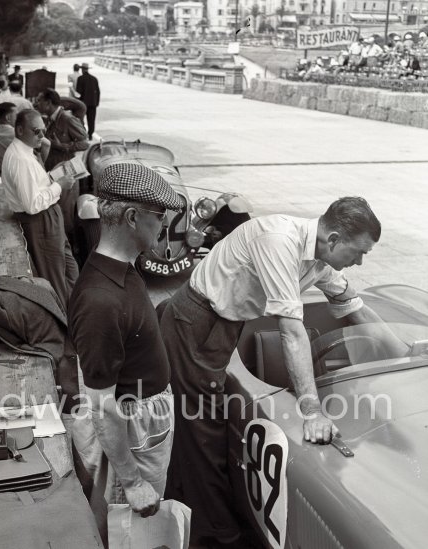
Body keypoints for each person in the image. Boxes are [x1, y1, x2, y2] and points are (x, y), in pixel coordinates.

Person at [160, 197, 409, 547]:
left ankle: (192, 505)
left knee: (203, 426)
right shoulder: (280, 241)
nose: (360, 261)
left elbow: (355, 307)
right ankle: (214, 535)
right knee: (204, 430)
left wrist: (403, 351)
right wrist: (312, 411)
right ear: (334, 238)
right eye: (358, 252)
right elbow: (291, 331)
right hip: (198, 320)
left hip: (225, 321)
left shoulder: (321, 256)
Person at [69, 162, 185, 543]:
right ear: (133, 217)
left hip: (145, 419)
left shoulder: (124, 267)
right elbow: (102, 407)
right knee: (130, 531)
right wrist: (132, 482)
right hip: (132, 427)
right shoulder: (100, 300)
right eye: (159, 216)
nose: (164, 225)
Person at [1, 109, 78, 312]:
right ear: (19, 130)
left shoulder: (26, 152)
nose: (42, 136)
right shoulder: (21, 160)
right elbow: (32, 204)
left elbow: (35, 186)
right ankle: (67, 325)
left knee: (69, 270)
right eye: (37, 131)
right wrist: (60, 185)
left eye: (43, 131)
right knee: (55, 278)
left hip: (49, 217)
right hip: (41, 220)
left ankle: (76, 315)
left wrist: (53, 178)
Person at [35, 88, 88, 171]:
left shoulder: (67, 119)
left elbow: (85, 144)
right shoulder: (49, 118)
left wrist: (62, 146)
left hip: (63, 169)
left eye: (39, 101)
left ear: (48, 103)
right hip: (51, 166)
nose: (36, 104)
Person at [76, 62, 100, 140]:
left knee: (80, 120)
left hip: (83, 103)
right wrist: (96, 103)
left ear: (82, 70)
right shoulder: (94, 79)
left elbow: (78, 93)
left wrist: (76, 104)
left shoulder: (80, 79)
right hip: (93, 103)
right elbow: (98, 92)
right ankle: (90, 135)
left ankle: (82, 134)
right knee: (91, 120)